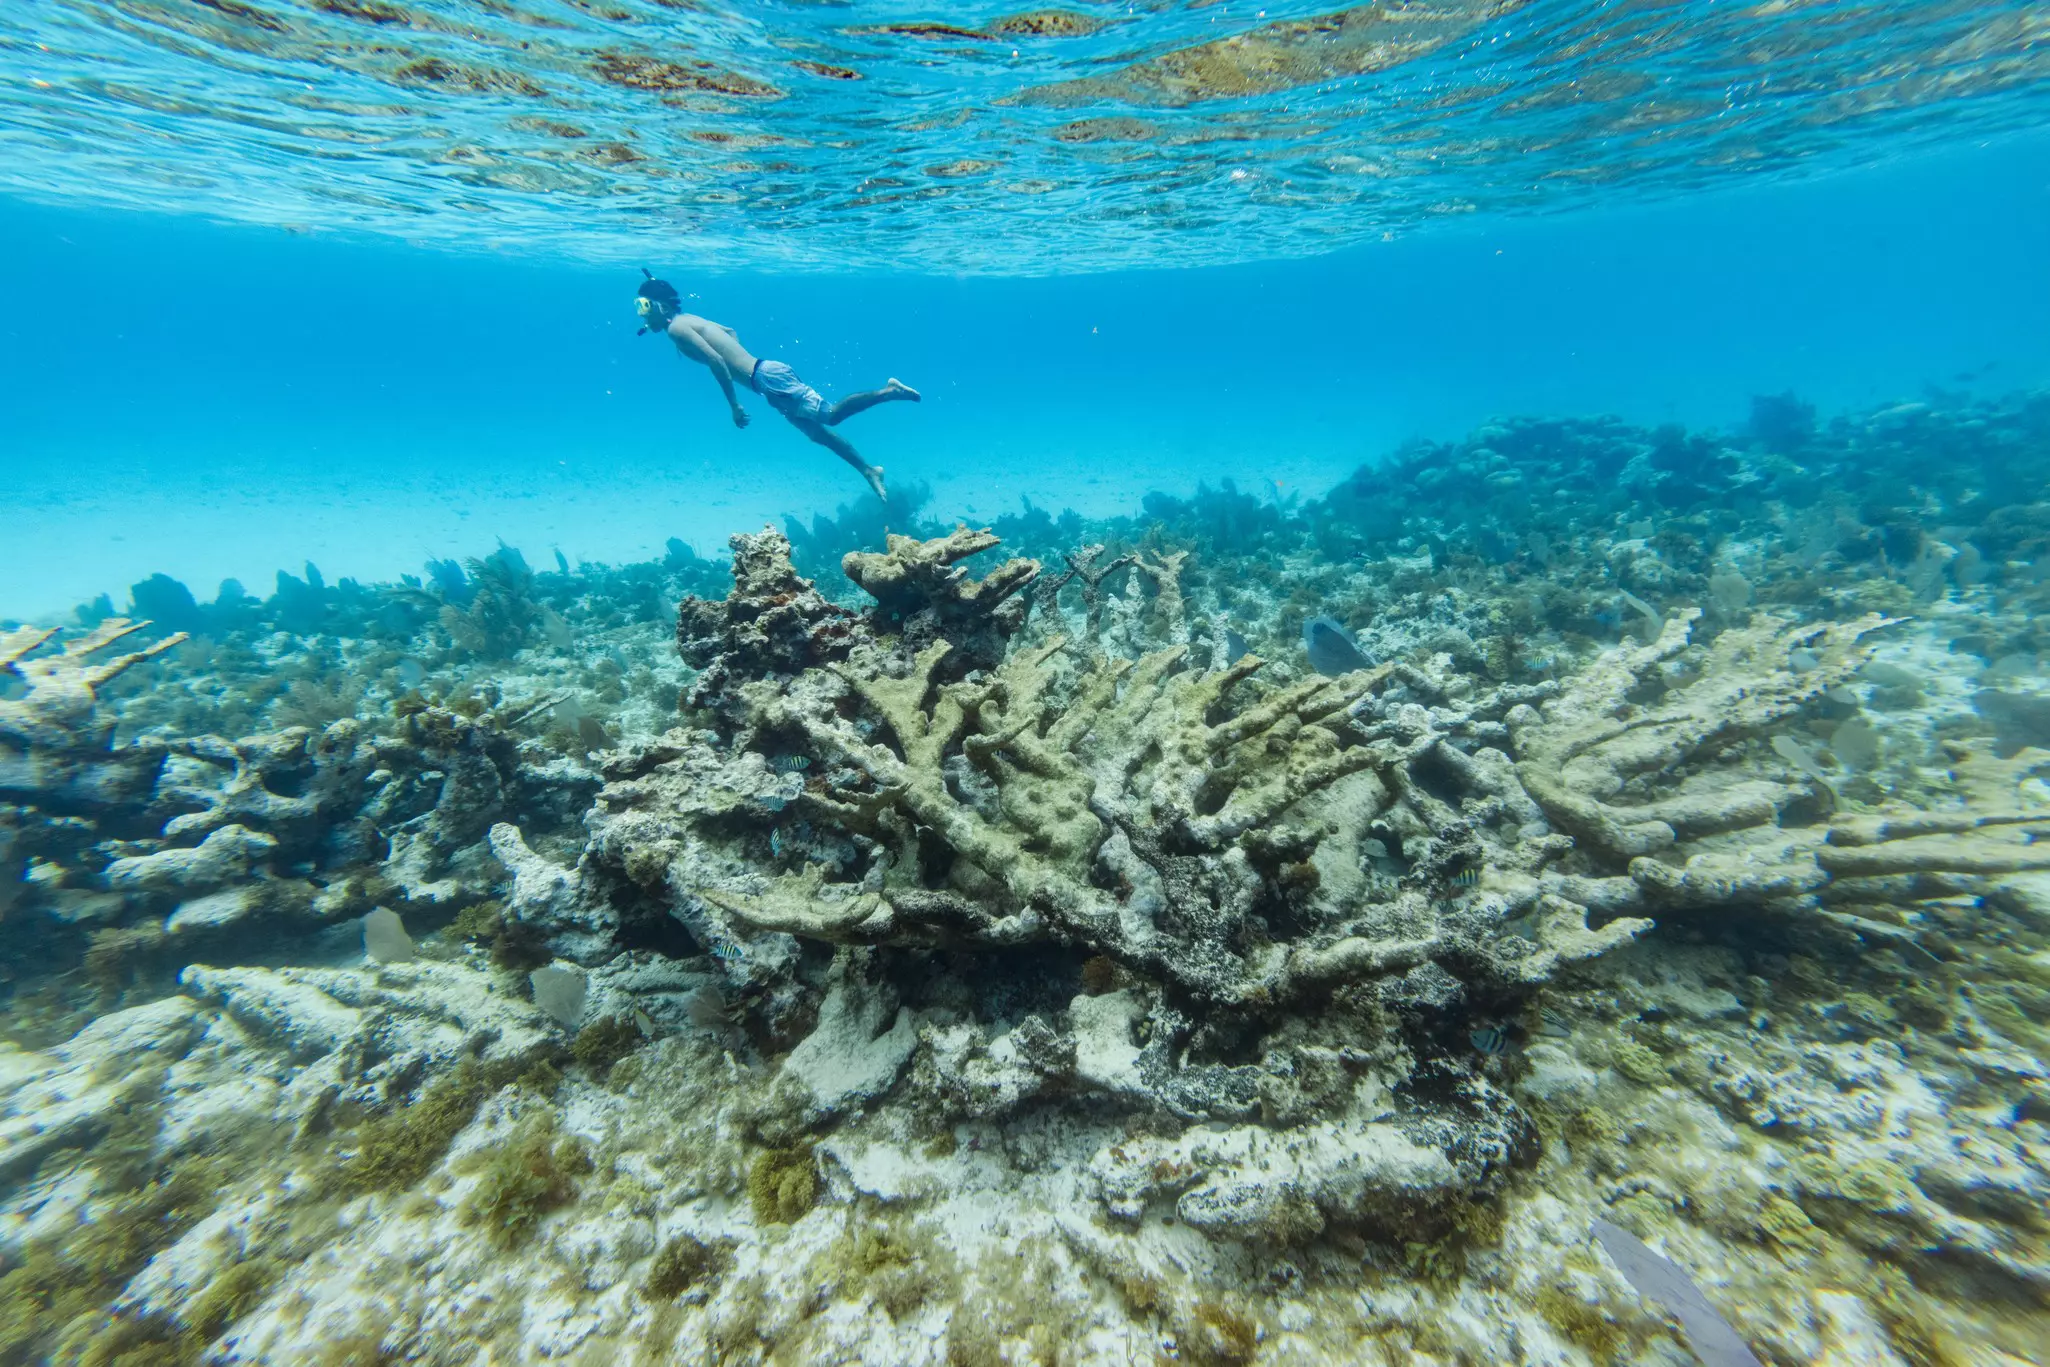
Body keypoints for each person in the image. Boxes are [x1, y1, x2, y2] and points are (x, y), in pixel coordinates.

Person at [633, 270, 918, 501]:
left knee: (830, 416)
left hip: (767, 378)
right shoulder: (687, 320)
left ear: (660, 305)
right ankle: (868, 470)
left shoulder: (676, 329)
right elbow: (729, 333)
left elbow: (716, 361)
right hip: (765, 378)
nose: (641, 315)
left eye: (643, 306)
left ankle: (889, 391)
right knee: (817, 433)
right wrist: (746, 367)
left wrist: (735, 404)